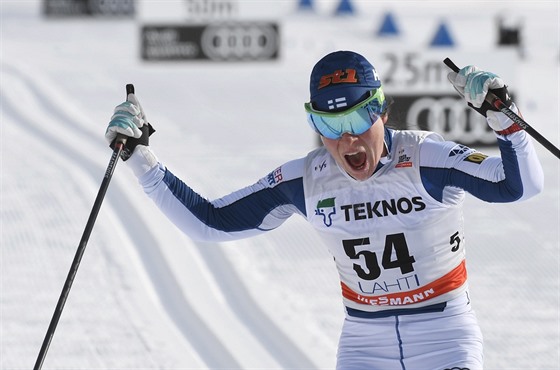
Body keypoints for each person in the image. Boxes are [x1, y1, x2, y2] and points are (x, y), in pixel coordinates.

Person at [105, 50, 543, 369]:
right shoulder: (309, 179)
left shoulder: (427, 158)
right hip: (364, 346)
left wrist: (505, 119)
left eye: (356, 121)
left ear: (381, 112)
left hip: (444, 338)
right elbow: (211, 223)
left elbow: (519, 187)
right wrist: (139, 156)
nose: (346, 141)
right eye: (329, 126)